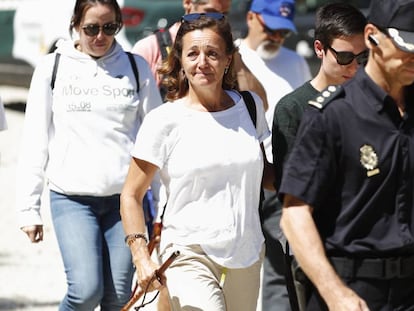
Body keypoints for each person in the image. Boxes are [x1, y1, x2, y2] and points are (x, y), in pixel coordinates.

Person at [15, 0, 163, 309]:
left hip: (125, 202)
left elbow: (157, 142)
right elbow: (34, 140)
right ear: (75, 25)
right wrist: (29, 209)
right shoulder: (52, 67)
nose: (100, 37)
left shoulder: (136, 69)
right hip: (71, 199)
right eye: (91, 28)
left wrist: (163, 206)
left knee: (120, 296)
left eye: (109, 28)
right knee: (85, 291)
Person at [120, 13, 272, 311]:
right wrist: (141, 256)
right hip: (187, 253)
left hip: (247, 252)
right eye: (193, 53)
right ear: (180, 60)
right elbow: (131, 194)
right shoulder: (163, 121)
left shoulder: (250, 107)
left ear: (229, 59)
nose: (202, 62)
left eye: (213, 53)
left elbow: (264, 174)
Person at [279, 0, 414, 310]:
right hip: (351, 289)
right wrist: (335, 293)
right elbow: (294, 214)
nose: (412, 57)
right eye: (405, 46)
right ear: (372, 37)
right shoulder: (333, 115)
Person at [270, 4, 367, 309]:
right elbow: (291, 194)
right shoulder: (293, 109)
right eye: (345, 57)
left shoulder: (374, 101)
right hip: (318, 252)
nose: (354, 67)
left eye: (362, 58)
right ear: (319, 49)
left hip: (369, 250)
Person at [235, 1, 311, 310]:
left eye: (283, 31)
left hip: (283, 176)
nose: (276, 37)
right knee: (239, 264)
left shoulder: (296, 62)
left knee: (284, 263)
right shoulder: (231, 55)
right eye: (270, 28)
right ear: (251, 17)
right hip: (243, 174)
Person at [131, 0, 268, 110]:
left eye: (224, 15)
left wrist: (233, 56)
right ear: (188, 3)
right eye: (210, 12)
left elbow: (259, 107)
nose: (217, 21)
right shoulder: (150, 48)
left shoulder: (227, 52)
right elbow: (131, 110)